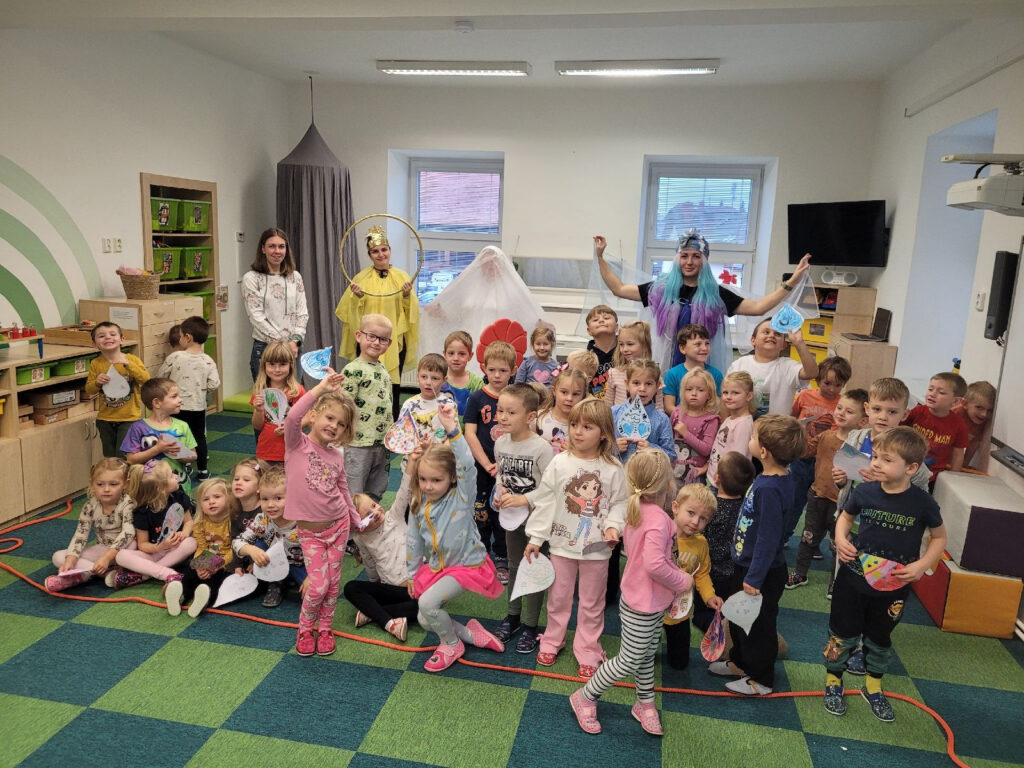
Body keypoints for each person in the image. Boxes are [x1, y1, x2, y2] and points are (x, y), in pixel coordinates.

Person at [824, 427, 946, 722]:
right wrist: (840, 537)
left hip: (893, 586)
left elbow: (940, 537)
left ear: (911, 468)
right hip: (853, 579)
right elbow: (845, 518)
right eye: (876, 456)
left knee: (880, 637)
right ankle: (833, 681)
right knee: (841, 634)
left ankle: (873, 687)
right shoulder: (864, 491)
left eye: (886, 460)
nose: (876, 463)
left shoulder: (923, 503)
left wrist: (922, 565)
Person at [568, 449, 692, 737]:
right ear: (668, 485)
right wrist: (681, 581)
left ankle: (644, 703)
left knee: (646, 654)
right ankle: (585, 696)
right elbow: (654, 564)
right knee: (629, 659)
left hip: (646, 598)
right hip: (643, 603)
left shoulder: (639, 510)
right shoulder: (658, 520)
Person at [594, 230, 812, 373]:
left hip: (700, 368)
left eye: (696, 256)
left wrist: (792, 281)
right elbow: (619, 289)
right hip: (666, 365)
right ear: (677, 259)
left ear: (704, 261)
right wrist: (601, 257)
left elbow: (758, 308)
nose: (689, 261)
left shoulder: (716, 295)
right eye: (684, 256)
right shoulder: (661, 290)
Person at [524, 398, 627, 679]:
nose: (578, 432)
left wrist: (614, 526)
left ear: (604, 433)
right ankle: (552, 640)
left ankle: (588, 648)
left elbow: (620, 502)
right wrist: (536, 537)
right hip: (561, 545)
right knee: (558, 598)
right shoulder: (559, 462)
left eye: (587, 426)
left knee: (592, 602)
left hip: (597, 549)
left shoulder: (614, 468)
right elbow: (545, 501)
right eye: (574, 425)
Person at [406, 401, 506, 672]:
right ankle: (470, 634)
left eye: (436, 480)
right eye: (423, 479)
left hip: (467, 564)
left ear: (451, 478)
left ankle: (451, 644)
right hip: (439, 567)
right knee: (425, 618)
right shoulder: (418, 504)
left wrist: (452, 428)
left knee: (428, 604)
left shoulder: (462, 497)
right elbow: (413, 541)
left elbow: (467, 465)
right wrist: (411, 574)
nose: (428, 486)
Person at [709, 414, 804, 695]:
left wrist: (754, 577)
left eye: (753, 437)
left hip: (761, 573)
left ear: (763, 452)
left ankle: (761, 679)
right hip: (748, 566)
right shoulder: (769, 478)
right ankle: (740, 662)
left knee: (759, 628)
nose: (749, 440)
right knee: (740, 621)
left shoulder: (771, 489)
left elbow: (768, 539)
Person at [285, 368, 361, 657]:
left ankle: (325, 628)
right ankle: (305, 628)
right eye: (329, 418)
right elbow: (293, 417)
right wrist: (321, 388)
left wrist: (355, 519)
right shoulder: (296, 444)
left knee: (332, 585)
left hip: (338, 526)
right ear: (315, 416)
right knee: (318, 585)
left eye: (341, 424)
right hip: (311, 533)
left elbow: (343, 489)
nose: (334, 426)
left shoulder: (336, 456)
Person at [492, 384, 555, 653]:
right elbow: (501, 475)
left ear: (530, 416)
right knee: (515, 566)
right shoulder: (500, 443)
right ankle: (513, 616)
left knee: (534, 569)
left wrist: (524, 499)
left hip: (537, 522)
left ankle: (530, 624)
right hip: (511, 520)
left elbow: (551, 488)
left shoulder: (542, 448)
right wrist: (500, 491)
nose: (503, 417)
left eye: (511, 412)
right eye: (500, 411)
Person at [787, 389, 868, 592]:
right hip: (817, 495)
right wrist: (800, 432)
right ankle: (800, 573)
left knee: (838, 544)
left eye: (849, 411)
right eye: (839, 408)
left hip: (843, 504)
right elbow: (805, 452)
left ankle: (835, 581)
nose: (841, 413)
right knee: (808, 537)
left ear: (862, 421)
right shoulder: (825, 436)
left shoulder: (859, 447)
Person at [334, 224, 418, 417]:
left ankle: (391, 423)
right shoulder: (361, 278)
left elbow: (410, 313)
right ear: (370, 255)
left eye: (384, 249)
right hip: (368, 341)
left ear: (390, 250)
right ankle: (360, 420)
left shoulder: (402, 277)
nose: (381, 254)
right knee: (364, 382)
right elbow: (348, 312)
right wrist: (357, 297)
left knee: (392, 386)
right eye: (375, 251)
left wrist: (406, 296)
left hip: (392, 341)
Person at [784, 356, 852, 544]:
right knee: (795, 500)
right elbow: (793, 417)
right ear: (818, 379)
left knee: (821, 505)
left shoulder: (843, 404)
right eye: (827, 383)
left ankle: (813, 544)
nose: (832, 389)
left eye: (838, 385)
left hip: (826, 461)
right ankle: (785, 536)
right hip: (801, 458)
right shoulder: (805, 396)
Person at [465, 340, 516, 582]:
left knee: (505, 511)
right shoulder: (476, 398)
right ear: (483, 368)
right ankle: (481, 554)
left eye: (503, 370)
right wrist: (486, 464)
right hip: (481, 467)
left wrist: (503, 466)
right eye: (492, 369)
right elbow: (470, 433)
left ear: (513, 370)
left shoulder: (516, 399)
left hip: (509, 469)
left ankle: (502, 555)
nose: (497, 375)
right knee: (480, 511)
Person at [44, 458, 136, 592]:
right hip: (103, 548)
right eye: (100, 484)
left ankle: (85, 574)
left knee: (130, 548)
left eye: (113, 484)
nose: (106, 489)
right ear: (92, 484)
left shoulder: (128, 504)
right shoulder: (90, 506)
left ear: (126, 484)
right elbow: (80, 535)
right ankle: (101, 572)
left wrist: (107, 557)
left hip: (124, 550)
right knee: (58, 557)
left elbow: (128, 533)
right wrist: (71, 559)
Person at [663, 483, 723, 670]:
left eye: (703, 518)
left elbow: (702, 574)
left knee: (680, 662)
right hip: (653, 607)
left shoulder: (701, 543)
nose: (696, 522)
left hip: (679, 610)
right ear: (675, 507)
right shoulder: (661, 533)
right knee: (642, 654)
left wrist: (709, 596)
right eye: (691, 513)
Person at [165, 477, 243, 618]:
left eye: (217, 497)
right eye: (206, 499)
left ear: (229, 499)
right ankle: (181, 595)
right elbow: (201, 547)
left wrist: (216, 566)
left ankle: (203, 599)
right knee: (190, 571)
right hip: (208, 557)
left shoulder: (233, 521)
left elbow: (235, 550)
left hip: (227, 561)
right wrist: (200, 565)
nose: (211, 502)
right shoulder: (200, 522)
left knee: (217, 580)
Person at [233, 466, 307, 609]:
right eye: (265, 499)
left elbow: (322, 551)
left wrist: (313, 577)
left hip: (300, 564)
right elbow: (237, 542)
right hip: (274, 561)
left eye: (278, 498)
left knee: (316, 594)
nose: (270, 505)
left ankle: (288, 580)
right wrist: (251, 550)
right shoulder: (263, 519)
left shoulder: (304, 522)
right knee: (257, 545)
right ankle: (276, 583)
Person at [114, 459, 196, 587]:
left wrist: (184, 534)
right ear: (160, 489)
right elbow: (142, 544)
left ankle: (143, 575)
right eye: (171, 476)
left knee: (191, 542)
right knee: (121, 556)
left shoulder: (178, 496)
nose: (176, 476)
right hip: (154, 552)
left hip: (176, 549)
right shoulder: (142, 512)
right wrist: (160, 547)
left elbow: (189, 522)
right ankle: (167, 573)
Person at [344, 493, 415, 641]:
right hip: (391, 589)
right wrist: (375, 588)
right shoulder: (360, 537)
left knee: (425, 606)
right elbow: (369, 563)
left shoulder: (394, 516)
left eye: (374, 505)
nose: (376, 512)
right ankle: (389, 623)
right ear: (359, 526)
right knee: (350, 587)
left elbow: (405, 490)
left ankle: (372, 613)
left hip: (415, 587)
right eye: (368, 516)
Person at [339, 314, 394, 502]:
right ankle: (353, 521)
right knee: (354, 492)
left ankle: (370, 518)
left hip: (382, 443)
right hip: (358, 444)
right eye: (371, 336)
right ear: (358, 336)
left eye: (383, 339)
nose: (376, 342)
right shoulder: (352, 370)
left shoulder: (383, 369)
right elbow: (344, 406)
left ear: (389, 343)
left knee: (376, 490)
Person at [158, 315, 220, 481]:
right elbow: (214, 384)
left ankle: (181, 466)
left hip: (175, 406)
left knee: (177, 435)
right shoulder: (208, 360)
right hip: (198, 406)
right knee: (199, 437)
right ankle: (203, 471)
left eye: (180, 336)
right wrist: (201, 389)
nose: (179, 339)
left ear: (187, 337)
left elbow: (161, 376)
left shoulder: (175, 357)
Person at [242, 227, 308, 380]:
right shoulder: (251, 278)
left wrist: (295, 341)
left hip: (293, 348)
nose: (277, 251)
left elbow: (302, 312)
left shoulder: (295, 277)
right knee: (268, 395)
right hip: (266, 349)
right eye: (272, 246)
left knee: (294, 395)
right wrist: (283, 345)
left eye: (281, 246)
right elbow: (256, 316)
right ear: (263, 249)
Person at [727, 318, 819, 419]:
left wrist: (799, 343)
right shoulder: (739, 365)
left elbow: (812, 373)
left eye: (777, 334)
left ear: (783, 345)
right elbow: (726, 398)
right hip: (742, 426)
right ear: (753, 340)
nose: (771, 335)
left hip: (778, 427)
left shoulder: (788, 366)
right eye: (766, 332)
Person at [84, 321, 150, 458]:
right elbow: (89, 390)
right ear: (95, 344)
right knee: (109, 456)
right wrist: (97, 383)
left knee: (124, 455)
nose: (108, 337)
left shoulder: (132, 360)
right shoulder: (96, 364)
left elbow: (146, 380)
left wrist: (128, 365)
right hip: (105, 419)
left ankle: (127, 473)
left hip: (129, 418)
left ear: (122, 340)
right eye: (101, 336)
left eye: (112, 334)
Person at [121, 378, 196, 483]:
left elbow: (193, 455)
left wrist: (178, 454)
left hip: (178, 484)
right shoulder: (138, 428)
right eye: (174, 396)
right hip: (148, 485)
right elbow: (131, 460)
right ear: (157, 403)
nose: (180, 400)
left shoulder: (182, 426)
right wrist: (157, 449)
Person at [902, 371, 969, 484]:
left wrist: (953, 479)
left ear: (955, 401)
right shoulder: (917, 412)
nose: (932, 394)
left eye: (941, 392)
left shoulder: (958, 424)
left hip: (933, 477)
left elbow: (958, 454)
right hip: (905, 470)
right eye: (930, 389)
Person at [251, 341, 306, 466]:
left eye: (282, 364)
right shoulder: (260, 390)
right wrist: (259, 410)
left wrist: (290, 427)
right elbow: (257, 426)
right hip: (266, 451)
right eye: (271, 364)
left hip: (292, 451)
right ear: (264, 365)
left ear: (291, 365)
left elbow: (307, 419)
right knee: (266, 479)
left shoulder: (297, 391)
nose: (277, 369)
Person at [611, 360, 675, 464]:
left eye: (648, 384)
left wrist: (652, 449)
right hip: (618, 472)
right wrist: (613, 447)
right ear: (627, 384)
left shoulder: (662, 420)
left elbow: (671, 455)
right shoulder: (613, 413)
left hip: (648, 472)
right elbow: (597, 446)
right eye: (636, 383)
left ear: (657, 386)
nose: (642, 388)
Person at [707, 372, 756, 491]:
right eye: (725, 392)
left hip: (725, 484)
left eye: (735, 393)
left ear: (749, 396)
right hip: (714, 478)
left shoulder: (743, 425)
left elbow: (737, 459)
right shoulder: (730, 419)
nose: (728, 397)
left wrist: (722, 476)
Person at [670, 368, 721, 484]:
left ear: (709, 395)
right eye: (689, 389)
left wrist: (686, 434)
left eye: (700, 390)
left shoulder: (711, 420)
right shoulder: (677, 413)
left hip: (696, 476)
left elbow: (707, 450)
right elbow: (668, 441)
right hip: (672, 474)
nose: (694, 393)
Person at [663, 324, 724, 412]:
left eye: (707, 343)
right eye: (698, 344)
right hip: (680, 419)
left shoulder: (716, 374)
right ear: (682, 348)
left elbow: (720, 407)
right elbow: (669, 407)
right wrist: (690, 417)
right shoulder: (672, 374)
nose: (704, 348)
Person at [604, 321, 662, 407]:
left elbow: (659, 406)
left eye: (630, 344)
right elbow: (607, 406)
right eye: (621, 344)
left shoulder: (654, 374)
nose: (624, 349)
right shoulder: (614, 373)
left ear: (644, 346)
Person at [537, 368, 589, 454]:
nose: (569, 398)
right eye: (564, 392)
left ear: (583, 396)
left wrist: (576, 452)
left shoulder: (586, 426)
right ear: (554, 391)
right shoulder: (538, 418)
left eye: (575, 394)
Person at [953, 380, 996, 468]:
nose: (984, 414)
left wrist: (964, 464)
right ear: (964, 404)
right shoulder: (955, 414)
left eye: (990, 410)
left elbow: (973, 444)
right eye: (979, 407)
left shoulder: (982, 421)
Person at [440, 330, 482, 416]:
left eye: (462, 354)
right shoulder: (438, 379)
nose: (456, 358)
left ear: (470, 356)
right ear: (444, 354)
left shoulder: (477, 383)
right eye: (451, 353)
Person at [584, 305, 618, 398]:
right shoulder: (585, 358)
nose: (601, 321)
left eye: (606, 318)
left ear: (616, 327)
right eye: (595, 320)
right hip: (594, 403)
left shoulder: (627, 351)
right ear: (589, 330)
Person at [231, 457, 266, 530]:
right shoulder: (233, 510)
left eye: (246, 480)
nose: (238, 483)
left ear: (259, 486)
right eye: (236, 479)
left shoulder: (265, 512)